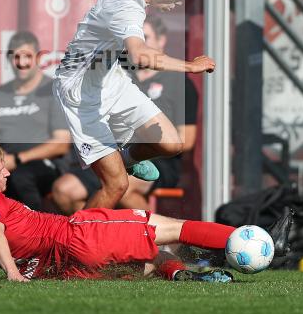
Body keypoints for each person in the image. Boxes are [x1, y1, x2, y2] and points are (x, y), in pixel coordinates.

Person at [0, 143, 292, 281]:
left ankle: (192, 277)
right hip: (78, 233)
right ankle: (256, 242)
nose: (7, 171)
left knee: (145, 263)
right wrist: (8, 273)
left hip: (62, 266)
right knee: (174, 227)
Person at [30, 0, 215, 211]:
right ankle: (74, 247)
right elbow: (140, 55)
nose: (179, 3)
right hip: (79, 93)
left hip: (109, 79)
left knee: (170, 143)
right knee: (117, 186)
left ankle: (127, 157)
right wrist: (191, 67)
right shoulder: (127, 10)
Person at [52, 16, 198, 213]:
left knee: (122, 187)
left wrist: (141, 140)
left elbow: (186, 140)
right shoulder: (117, 75)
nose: (137, 46)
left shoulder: (179, 82)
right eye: (133, 41)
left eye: (144, 38)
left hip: (157, 159)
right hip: (113, 152)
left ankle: (154, 241)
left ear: (162, 40)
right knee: (64, 190)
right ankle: (98, 238)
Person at [0, 31, 70, 210]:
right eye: (15, 57)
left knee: (20, 176)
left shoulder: (51, 90)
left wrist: (18, 159)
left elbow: (61, 144)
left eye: (27, 56)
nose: (21, 63)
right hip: (4, 164)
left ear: (37, 57)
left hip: (44, 164)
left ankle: (35, 234)